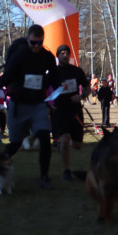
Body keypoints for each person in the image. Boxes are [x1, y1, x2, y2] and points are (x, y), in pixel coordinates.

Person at [0, 24, 58, 189]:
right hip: (18, 104)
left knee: (44, 138)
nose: (36, 47)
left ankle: (44, 177)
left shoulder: (47, 57)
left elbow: (55, 76)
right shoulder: (19, 55)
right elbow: (7, 75)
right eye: (33, 43)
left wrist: (48, 84)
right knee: (15, 142)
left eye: (39, 43)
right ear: (28, 40)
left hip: (37, 105)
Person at [50, 45, 90, 181]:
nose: (65, 55)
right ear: (57, 55)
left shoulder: (77, 71)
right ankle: (66, 170)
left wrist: (82, 95)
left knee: (77, 145)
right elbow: (44, 89)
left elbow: (87, 88)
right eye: (62, 53)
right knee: (65, 139)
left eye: (67, 53)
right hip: (60, 110)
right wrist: (49, 104)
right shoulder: (53, 72)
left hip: (75, 110)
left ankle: (64, 145)